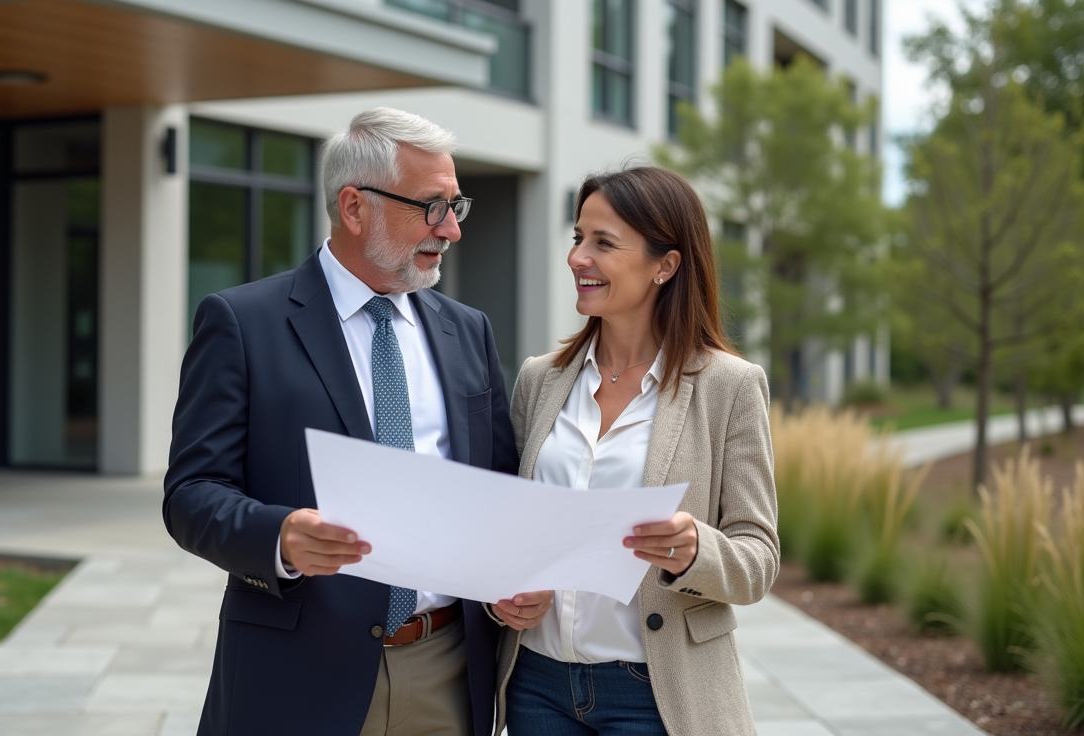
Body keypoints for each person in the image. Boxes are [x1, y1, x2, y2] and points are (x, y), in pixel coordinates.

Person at [164, 107, 543, 736]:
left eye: (456, 206)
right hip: (298, 676)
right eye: (431, 206)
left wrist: (517, 576)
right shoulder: (241, 323)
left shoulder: (467, 330)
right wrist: (279, 536)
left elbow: (498, 486)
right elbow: (190, 496)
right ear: (354, 206)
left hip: (448, 669)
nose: (450, 229)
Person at [493, 166, 779, 736]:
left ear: (665, 265)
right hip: (535, 685)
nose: (578, 257)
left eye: (603, 242)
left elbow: (759, 560)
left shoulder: (729, 386)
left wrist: (694, 548)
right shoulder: (539, 380)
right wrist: (499, 595)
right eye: (578, 238)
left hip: (655, 691)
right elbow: (507, 527)